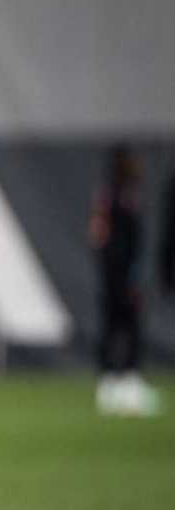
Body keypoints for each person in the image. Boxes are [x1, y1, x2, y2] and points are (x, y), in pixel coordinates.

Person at [89, 145, 159, 416]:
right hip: (119, 273)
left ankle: (116, 384)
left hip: (114, 272)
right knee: (125, 326)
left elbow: (97, 236)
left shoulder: (108, 196)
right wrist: (128, 275)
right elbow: (101, 236)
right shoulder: (119, 197)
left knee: (118, 326)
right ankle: (122, 384)